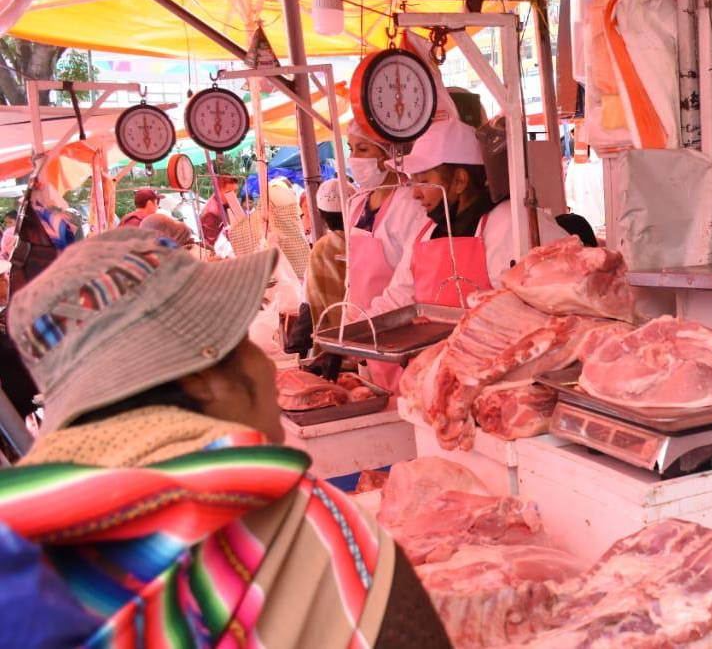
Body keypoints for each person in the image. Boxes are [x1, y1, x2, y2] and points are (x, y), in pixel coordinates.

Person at [2, 228, 451, 647]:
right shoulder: (306, 531)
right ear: (203, 378)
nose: (268, 367)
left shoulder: (16, 542)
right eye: (244, 343)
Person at [369, 118, 569, 318]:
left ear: (459, 181)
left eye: (423, 181)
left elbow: (555, 294)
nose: (416, 194)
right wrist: (356, 332)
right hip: (445, 347)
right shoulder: (425, 231)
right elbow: (396, 299)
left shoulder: (510, 223)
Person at [344, 120, 429, 321]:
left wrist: (367, 325)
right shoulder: (357, 202)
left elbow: (407, 284)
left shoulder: (412, 203)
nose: (353, 158)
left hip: (394, 322)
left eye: (362, 149)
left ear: (388, 153)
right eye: (351, 149)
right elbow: (351, 278)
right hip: (356, 321)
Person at [308, 177, 352, 331]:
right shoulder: (366, 239)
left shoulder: (321, 249)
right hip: (369, 327)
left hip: (336, 337)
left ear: (321, 214)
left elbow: (312, 299)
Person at [200, 174, 239, 247]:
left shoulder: (227, 202)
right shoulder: (212, 213)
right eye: (229, 192)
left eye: (236, 191)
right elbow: (211, 246)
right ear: (218, 190)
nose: (234, 196)